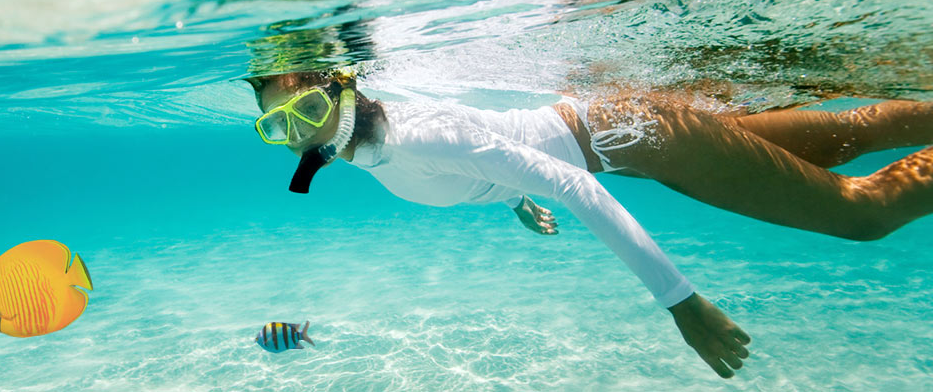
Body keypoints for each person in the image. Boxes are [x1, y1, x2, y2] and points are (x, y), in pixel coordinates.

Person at [244, 69, 933, 378]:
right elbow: (495, 152)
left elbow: (569, 180)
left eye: (309, 110)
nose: (303, 135)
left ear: (344, 87)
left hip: (635, 138)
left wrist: (681, 302)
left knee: (862, 213)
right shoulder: (376, 146)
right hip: (626, 134)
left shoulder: (414, 136)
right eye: (279, 127)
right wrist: (514, 199)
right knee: (843, 135)